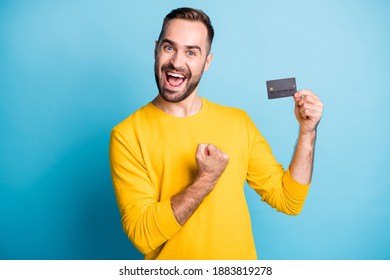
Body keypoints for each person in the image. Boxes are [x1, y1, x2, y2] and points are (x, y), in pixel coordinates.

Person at [109, 7, 323, 260]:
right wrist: (207, 179)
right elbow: (142, 235)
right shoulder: (127, 135)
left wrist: (307, 132)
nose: (177, 62)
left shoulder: (237, 123)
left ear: (207, 62)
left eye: (191, 52)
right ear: (156, 50)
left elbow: (289, 200)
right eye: (169, 48)